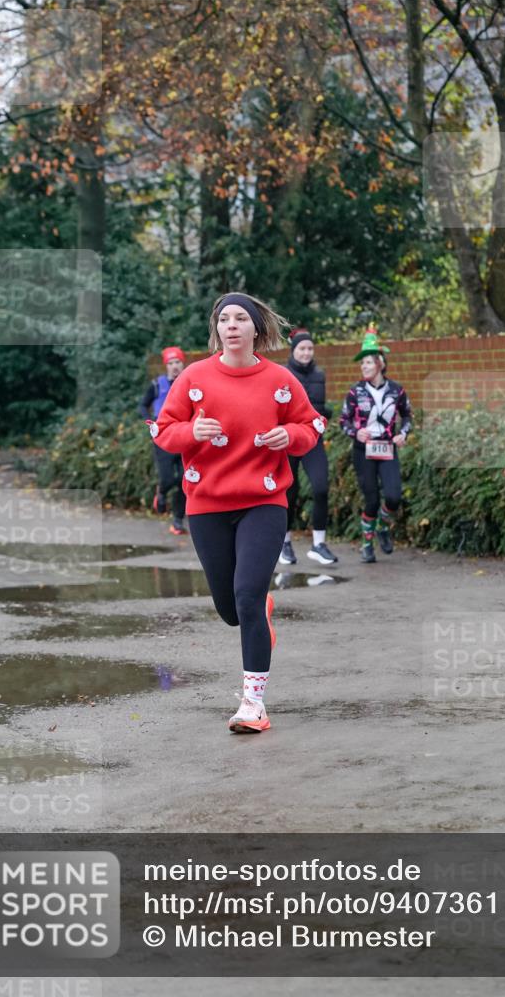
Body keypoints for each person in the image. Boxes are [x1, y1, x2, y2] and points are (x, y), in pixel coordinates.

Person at [152, 293, 325, 733]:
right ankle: (257, 609)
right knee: (232, 610)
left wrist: (289, 436)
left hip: (263, 501)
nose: (232, 325)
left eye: (241, 318)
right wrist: (192, 431)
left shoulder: (280, 379)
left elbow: (311, 425)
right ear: (217, 329)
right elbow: (163, 431)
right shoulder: (194, 377)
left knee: (246, 597)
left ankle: (253, 705)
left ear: (256, 329)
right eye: (224, 319)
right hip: (207, 503)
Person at [340, 328, 412, 563]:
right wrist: (355, 432)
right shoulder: (355, 392)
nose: (364, 366)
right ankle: (367, 545)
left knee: (393, 497)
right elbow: (343, 421)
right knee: (371, 500)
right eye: (362, 363)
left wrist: (403, 434)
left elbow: (408, 416)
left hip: (388, 448)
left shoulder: (397, 390)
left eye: (368, 362)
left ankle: (382, 526)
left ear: (380, 364)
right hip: (364, 451)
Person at [279, 328, 338, 567]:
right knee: (289, 493)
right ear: (293, 350)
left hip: (312, 439)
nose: (306, 353)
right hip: (288, 440)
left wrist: (325, 414)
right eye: (302, 348)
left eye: (310, 348)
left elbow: (318, 406)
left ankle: (318, 544)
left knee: (321, 488)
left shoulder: (319, 375)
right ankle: (284, 543)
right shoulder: (282, 374)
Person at [139, 346, 187, 535]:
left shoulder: (189, 382)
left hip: (185, 436)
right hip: (163, 436)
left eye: (178, 362)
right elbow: (143, 405)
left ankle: (177, 521)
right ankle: (161, 491)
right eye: (171, 363)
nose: (175, 366)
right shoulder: (157, 385)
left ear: (183, 364)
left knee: (185, 480)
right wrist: (149, 422)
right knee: (168, 478)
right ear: (166, 366)